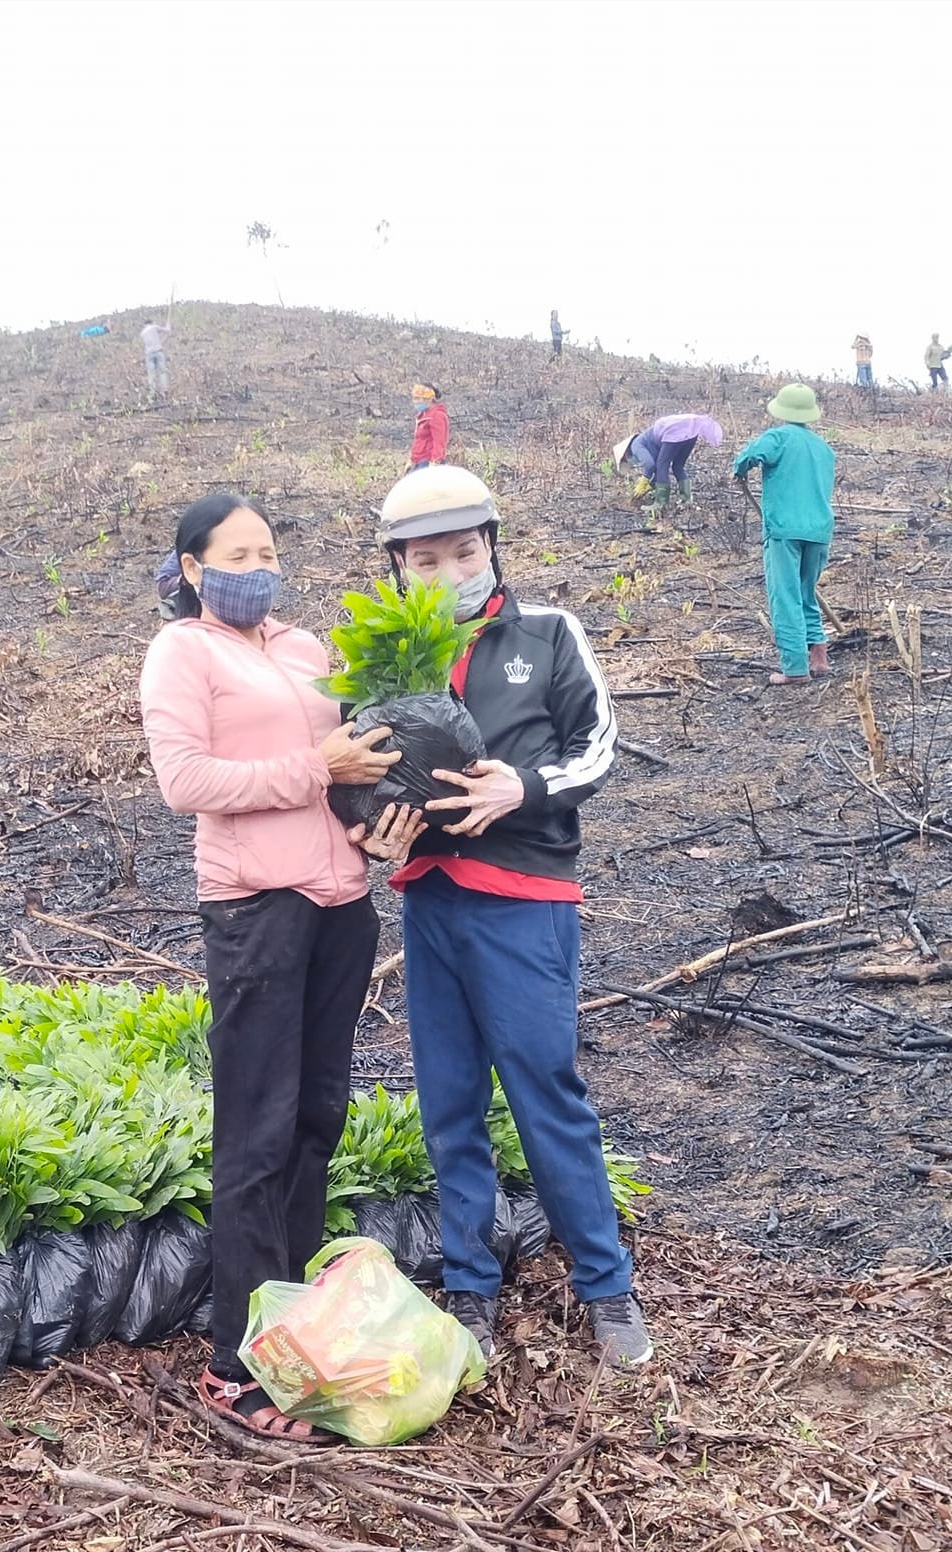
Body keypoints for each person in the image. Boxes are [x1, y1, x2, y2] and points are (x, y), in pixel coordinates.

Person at [139, 492, 424, 1440]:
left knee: (316, 1117)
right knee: (257, 1133)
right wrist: (315, 764)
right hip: (256, 908)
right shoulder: (184, 651)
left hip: (341, 905)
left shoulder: (305, 648)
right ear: (192, 567)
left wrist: (376, 831)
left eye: (267, 547)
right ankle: (238, 1362)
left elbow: (354, 772)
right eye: (236, 551)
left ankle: (294, 1323)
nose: (257, 563)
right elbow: (186, 782)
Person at [371, 464, 652, 1370]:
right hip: (431, 901)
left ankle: (607, 1289)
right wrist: (371, 832)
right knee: (449, 1101)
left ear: (492, 547)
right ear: (397, 569)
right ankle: (469, 1288)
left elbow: (597, 746)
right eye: (425, 559)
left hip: (525, 904)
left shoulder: (547, 635)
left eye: (466, 550)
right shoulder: (385, 659)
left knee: (545, 1092)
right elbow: (356, 772)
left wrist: (518, 786)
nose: (450, 571)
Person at [731, 384, 836, 687]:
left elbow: (750, 455)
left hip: (784, 530)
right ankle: (819, 658)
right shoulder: (823, 448)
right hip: (819, 531)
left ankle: (794, 668)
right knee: (807, 591)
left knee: (786, 596)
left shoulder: (778, 437)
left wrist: (740, 469)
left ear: (781, 410)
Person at [613, 413, 724, 514]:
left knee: (663, 464)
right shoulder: (649, 446)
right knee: (678, 466)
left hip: (673, 431)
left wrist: (643, 481)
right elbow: (657, 471)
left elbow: (650, 465)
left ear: (626, 454)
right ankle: (686, 500)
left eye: (626, 461)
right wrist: (651, 485)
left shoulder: (636, 445)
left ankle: (660, 504)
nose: (631, 462)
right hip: (691, 433)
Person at [407, 382, 449, 470]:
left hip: (427, 463)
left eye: (419, 399)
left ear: (430, 399)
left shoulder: (437, 416)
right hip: (418, 462)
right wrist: (411, 459)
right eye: (415, 398)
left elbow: (439, 442)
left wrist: (435, 462)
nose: (416, 402)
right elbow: (419, 440)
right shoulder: (422, 415)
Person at [140, 319, 173, 399]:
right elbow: (167, 331)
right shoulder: (154, 327)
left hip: (149, 354)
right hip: (158, 352)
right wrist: (168, 325)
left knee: (151, 374)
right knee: (162, 371)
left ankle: (152, 392)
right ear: (152, 322)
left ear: (145, 324)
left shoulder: (142, 333)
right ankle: (164, 389)